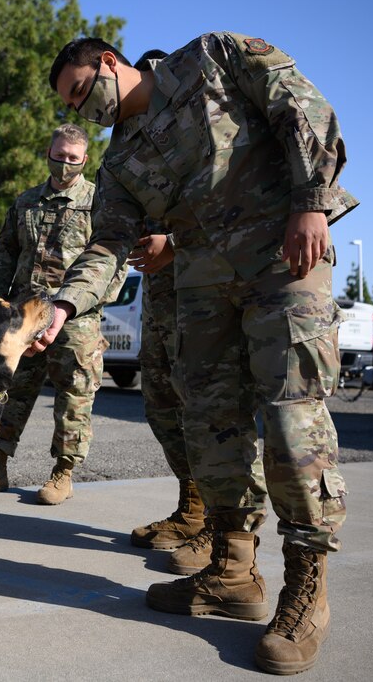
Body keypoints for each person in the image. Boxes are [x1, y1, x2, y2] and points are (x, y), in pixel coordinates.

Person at [42, 34, 356, 675]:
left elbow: (299, 105)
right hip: (202, 288)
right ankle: (234, 571)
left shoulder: (209, 58)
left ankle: (307, 587)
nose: (86, 110)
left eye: (82, 91)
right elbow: (106, 247)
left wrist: (311, 201)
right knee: (211, 426)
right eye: (74, 106)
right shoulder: (119, 163)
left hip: (281, 259)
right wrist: (65, 306)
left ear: (108, 63)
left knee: (293, 420)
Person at [0, 124, 125, 505]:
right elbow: (5, 254)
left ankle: (63, 472)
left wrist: (96, 301)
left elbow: (115, 261)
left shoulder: (99, 203)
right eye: (58, 156)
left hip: (77, 317)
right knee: (9, 392)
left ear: (85, 160)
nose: (64, 165)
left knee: (75, 393)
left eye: (72, 159)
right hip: (25, 316)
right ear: (49, 152)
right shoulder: (25, 202)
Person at [130, 228, 267, 579]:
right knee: (162, 407)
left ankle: (228, 536)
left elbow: (226, 204)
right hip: (158, 298)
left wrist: (176, 241)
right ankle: (193, 510)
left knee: (215, 416)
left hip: (209, 290)